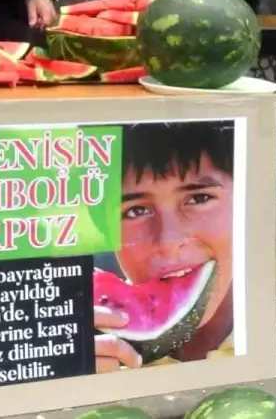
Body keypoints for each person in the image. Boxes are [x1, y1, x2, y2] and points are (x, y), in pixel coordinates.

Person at [94, 121, 235, 370]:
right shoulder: (91, 336)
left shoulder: (259, 333)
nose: (168, 242)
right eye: (136, 211)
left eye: (199, 198)